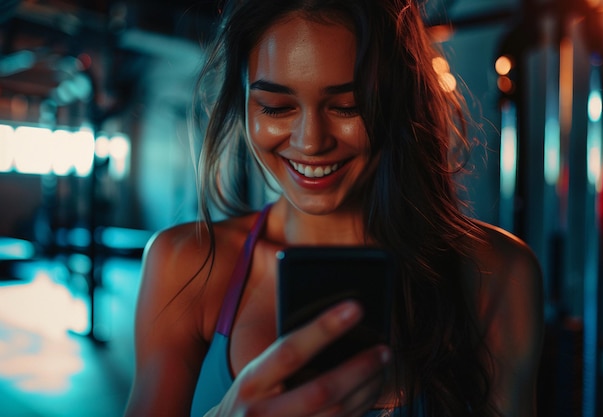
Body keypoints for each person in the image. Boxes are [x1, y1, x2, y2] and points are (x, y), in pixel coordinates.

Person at [124, 0, 545, 416]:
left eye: (348, 106)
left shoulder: (496, 273)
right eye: (276, 106)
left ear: (399, 99)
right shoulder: (185, 266)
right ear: (245, 103)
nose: (311, 141)